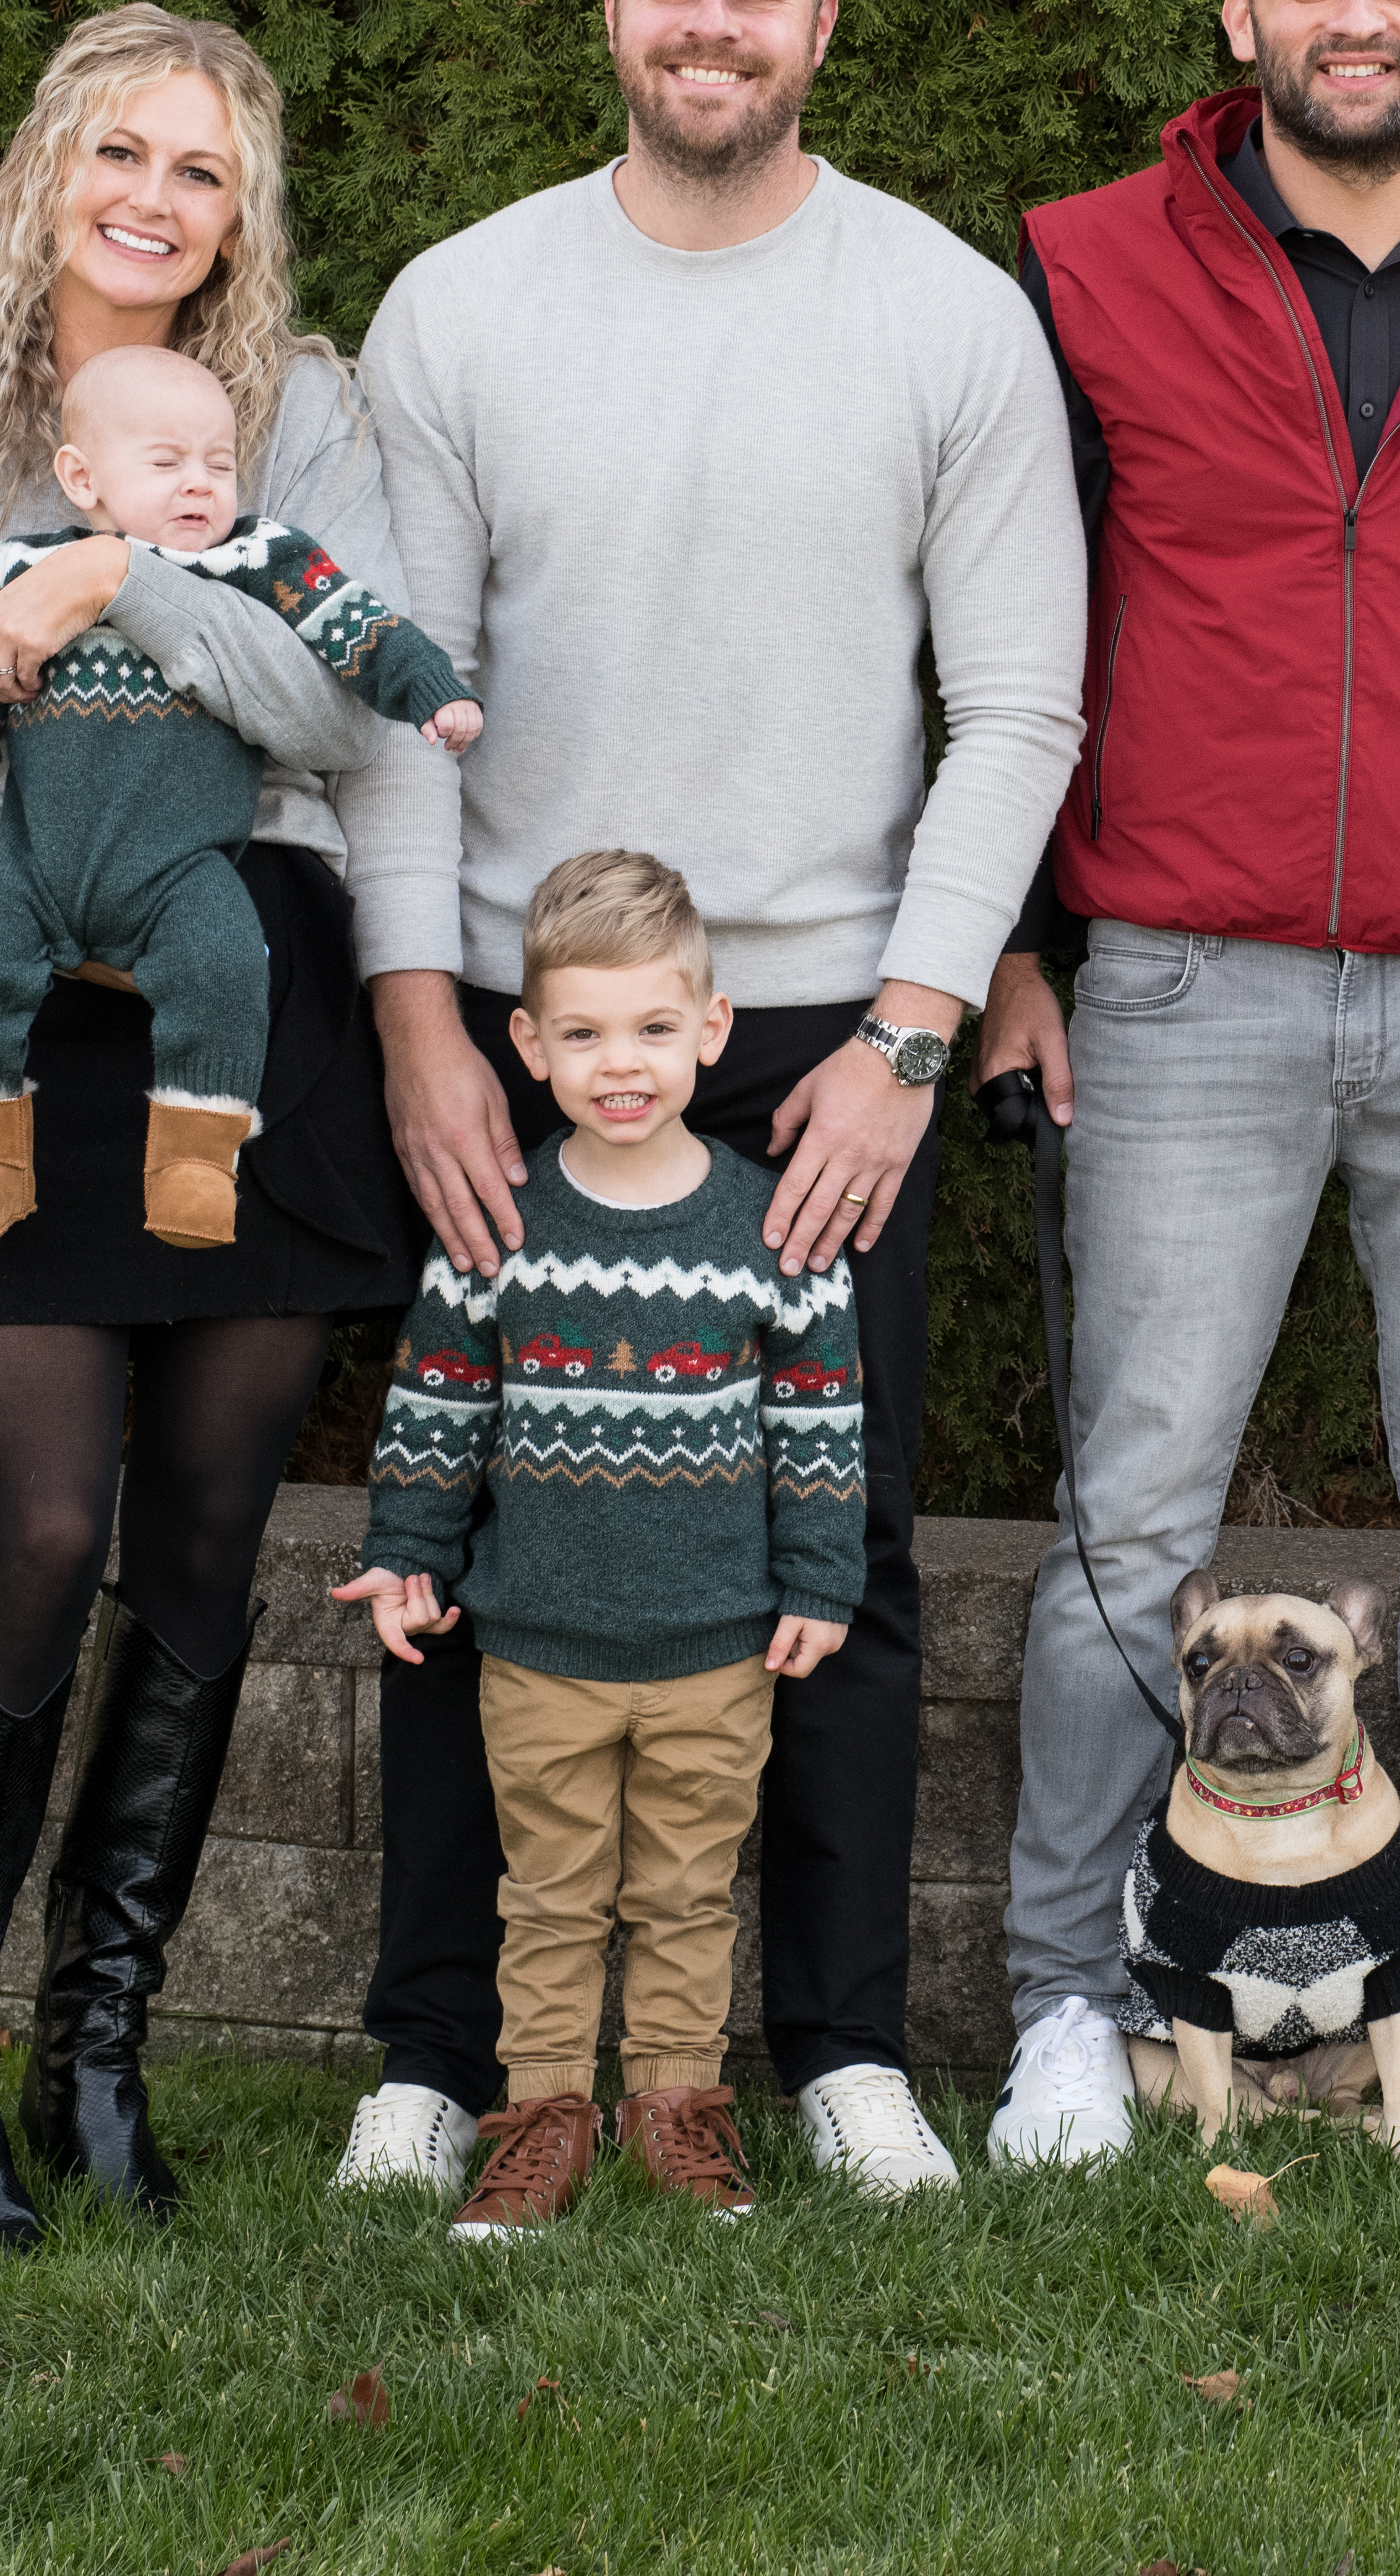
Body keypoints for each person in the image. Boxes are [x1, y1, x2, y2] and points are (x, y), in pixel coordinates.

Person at [338, 0, 1083, 2206]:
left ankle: (837, 2045)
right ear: (613, 8)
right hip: (522, 1029)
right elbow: (390, 704)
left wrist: (906, 1034)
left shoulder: (943, 314)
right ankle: (441, 2059)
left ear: (820, 27)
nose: (711, 25)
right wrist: (415, 1021)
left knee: (835, 1549)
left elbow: (1019, 707)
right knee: (470, 1536)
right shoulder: (463, 307)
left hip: (823, 1036)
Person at [974, 0, 1400, 2166]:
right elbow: (1004, 620)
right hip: (1180, 975)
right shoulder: (1082, 266)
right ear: (1239, 15)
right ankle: (1070, 2004)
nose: (1359, 17)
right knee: (1132, 1516)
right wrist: (1011, 943)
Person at [0, 3, 435, 2256]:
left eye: (205, 170)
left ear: (242, 217)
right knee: (50, 1520)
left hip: (254, 996)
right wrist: (45, 918)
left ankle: (98, 2052)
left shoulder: (302, 413)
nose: (157, 199)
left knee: (204, 1536)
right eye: (122, 154)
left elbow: (336, 706)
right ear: (46, 170)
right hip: (21, 1011)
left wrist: (115, 581)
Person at [331, 851, 864, 2236]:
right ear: (528, 1043)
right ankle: (542, 2122)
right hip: (541, 1652)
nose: (619, 1063)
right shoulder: (500, 1223)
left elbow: (820, 1417)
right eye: (582, 1033)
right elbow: (441, 1400)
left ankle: (677, 2115)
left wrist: (822, 1577)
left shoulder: (774, 1228)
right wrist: (407, 1548)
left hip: (717, 1652)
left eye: (651, 1028)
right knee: (553, 1897)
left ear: (711, 1028)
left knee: (687, 1895)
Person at [0, 343, 483, 1251]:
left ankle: (197, 1161)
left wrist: (430, 693)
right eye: (167, 462)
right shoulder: (9, 570)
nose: (200, 485)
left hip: (184, 868)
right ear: (82, 477)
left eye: (220, 464)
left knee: (224, 966)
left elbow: (362, 628)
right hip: (31, 863)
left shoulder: (257, 557)